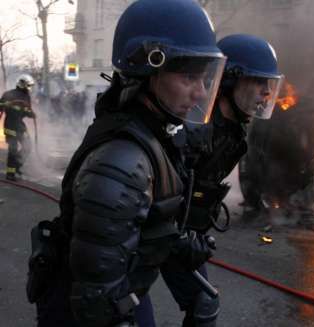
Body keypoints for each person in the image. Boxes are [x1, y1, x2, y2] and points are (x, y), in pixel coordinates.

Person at [26, 1, 226, 326]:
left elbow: (147, 221)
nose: (201, 93)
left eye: (204, 79)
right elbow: (96, 303)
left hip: (124, 288)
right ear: (148, 69)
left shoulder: (155, 134)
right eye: (190, 77)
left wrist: (175, 244)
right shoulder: (122, 163)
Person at [159, 34, 284, 326]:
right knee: (123, 310)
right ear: (230, 80)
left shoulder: (234, 131)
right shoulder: (190, 127)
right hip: (146, 239)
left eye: (269, 85)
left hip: (183, 233)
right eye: (258, 82)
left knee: (204, 303)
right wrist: (176, 235)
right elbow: (153, 195)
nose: (266, 92)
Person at [0, 74, 36, 181]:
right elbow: (1, 105)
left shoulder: (26, 96)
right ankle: (10, 173)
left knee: (28, 146)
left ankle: (17, 166)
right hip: (10, 125)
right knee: (13, 149)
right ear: (22, 83)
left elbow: (26, 111)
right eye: (28, 85)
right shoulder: (8, 94)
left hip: (20, 125)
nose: (29, 88)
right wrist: (6, 104)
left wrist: (31, 113)